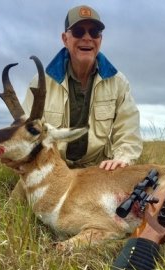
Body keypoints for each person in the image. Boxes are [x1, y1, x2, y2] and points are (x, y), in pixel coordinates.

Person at [21, 5, 143, 171]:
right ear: (65, 39)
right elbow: (25, 131)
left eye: (94, 33)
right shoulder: (40, 84)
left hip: (99, 169)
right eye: (78, 31)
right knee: (20, 196)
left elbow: (128, 131)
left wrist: (123, 157)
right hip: (52, 167)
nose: (87, 38)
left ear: (100, 39)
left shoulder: (118, 82)